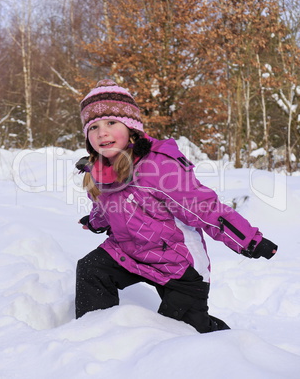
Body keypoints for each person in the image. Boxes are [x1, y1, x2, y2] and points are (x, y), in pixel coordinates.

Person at [75, 79, 278, 333]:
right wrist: (94, 222)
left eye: (111, 123)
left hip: (178, 264)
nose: (102, 132)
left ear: (131, 128)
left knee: (184, 331)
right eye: (93, 127)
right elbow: (106, 205)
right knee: (91, 269)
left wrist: (249, 240)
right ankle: (96, 333)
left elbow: (205, 209)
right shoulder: (99, 169)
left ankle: (227, 345)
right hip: (129, 252)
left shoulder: (159, 166)